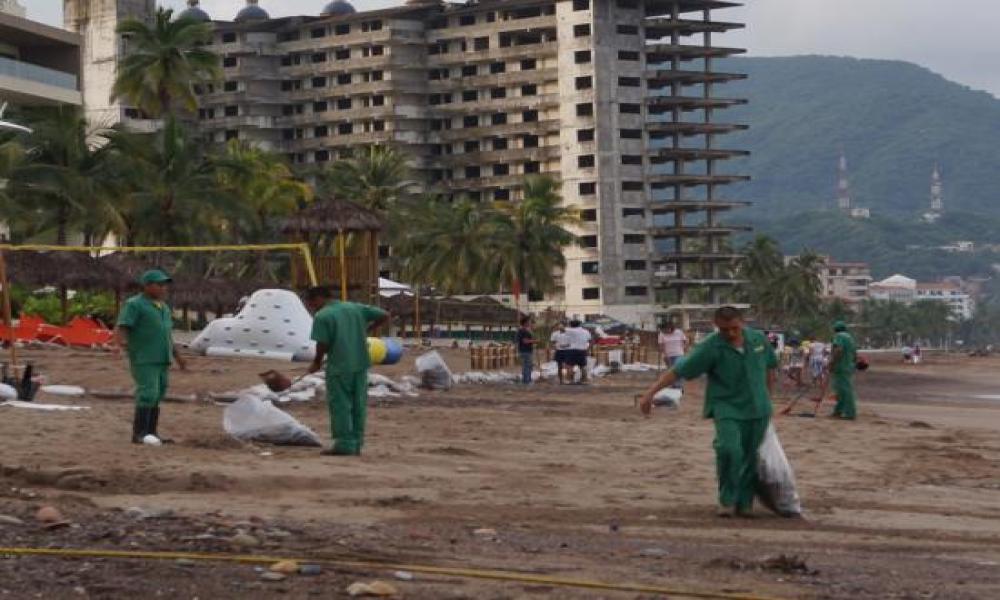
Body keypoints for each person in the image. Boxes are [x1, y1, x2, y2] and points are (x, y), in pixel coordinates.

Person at [639, 306, 779, 518]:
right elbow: (679, 370)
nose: (730, 334)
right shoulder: (711, 347)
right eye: (724, 330)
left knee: (750, 456)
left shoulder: (759, 340)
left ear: (742, 322)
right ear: (717, 327)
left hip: (758, 407)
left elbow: (769, 368)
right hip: (726, 407)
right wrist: (649, 394)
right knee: (730, 450)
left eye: (734, 328)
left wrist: (768, 400)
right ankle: (727, 499)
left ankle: (745, 502)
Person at [305, 286, 390, 456]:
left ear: (319, 298)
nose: (312, 306)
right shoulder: (354, 308)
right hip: (360, 363)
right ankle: (357, 442)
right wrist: (366, 330)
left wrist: (317, 362)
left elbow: (322, 343)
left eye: (311, 303)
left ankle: (344, 444)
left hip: (339, 366)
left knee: (341, 404)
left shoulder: (323, 316)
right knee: (358, 404)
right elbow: (384, 315)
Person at [116, 269, 187, 445]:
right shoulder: (135, 304)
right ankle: (139, 433)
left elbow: (167, 334)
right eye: (159, 285)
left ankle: (151, 432)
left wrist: (178, 356)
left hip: (162, 357)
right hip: (144, 356)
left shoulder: (163, 307)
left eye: (165, 285)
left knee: (159, 393)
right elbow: (123, 326)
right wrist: (122, 344)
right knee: (148, 392)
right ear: (147, 286)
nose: (164, 289)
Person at [829, 321, 858, 420]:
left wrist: (832, 362)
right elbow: (855, 354)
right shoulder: (850, 338)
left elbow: (839, 349)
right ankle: (838, 411)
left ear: (835, 329)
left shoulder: (839, 336)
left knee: (845, 391)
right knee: (841, 390)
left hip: (841, 367)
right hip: (848, 366)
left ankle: (850, 413)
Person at [657, 321, 689, 388]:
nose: (664, 331)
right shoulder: (662, 334)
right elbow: (661, 346)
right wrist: (665, 355)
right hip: (668, 355)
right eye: (663, 330)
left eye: (665, 329)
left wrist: (685, 348)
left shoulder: (679, 332)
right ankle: (674, 384)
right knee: (671, 371)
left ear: (670, 328)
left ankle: (679, 385)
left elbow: (685, 341)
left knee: (678, 368)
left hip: (679, 354)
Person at [563, 320, 592, 384]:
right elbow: (590, 341)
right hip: (582, 350)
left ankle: (569, 380)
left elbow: (561, 328)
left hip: (571, 350)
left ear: (571, 325)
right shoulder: (586, 331)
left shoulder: (569, 330)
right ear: (579, 324)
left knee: (569, 366)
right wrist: (588, 349)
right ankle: (584, 380)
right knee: (582, 366)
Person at [515, 316, 536, 384]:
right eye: (529, 322)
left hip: (525, 350)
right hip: (525, 351)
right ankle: (526, 380)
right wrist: (534, 341)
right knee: (527, 366)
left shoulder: (522, 330)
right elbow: (525, 341)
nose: (530, 323)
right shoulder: (523, 331)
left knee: (527, 366)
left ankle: (527, 380)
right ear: (525, 323)